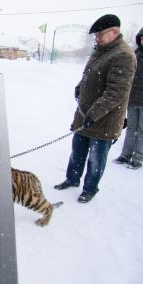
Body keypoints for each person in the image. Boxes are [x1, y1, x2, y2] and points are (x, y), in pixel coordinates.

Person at [54, 14, 137, 203]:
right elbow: (89, 75)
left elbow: (116, 92)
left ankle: (90, 188)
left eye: (100, 34)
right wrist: (79, 87)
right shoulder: (100, 50)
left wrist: (94, 113)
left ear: (114, 32)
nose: (97, 38)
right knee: (78, 151)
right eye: (96, 35)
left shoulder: (123, 55)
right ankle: (72, 179)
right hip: (85, 116)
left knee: (96, 158)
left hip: (103, 120)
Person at [113, 27, 143, 170]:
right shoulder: (134, 55)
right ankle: (125, 154)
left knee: (142, 130)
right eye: (142, 38)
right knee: (131, 128)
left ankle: (138, 158)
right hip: (132, 99)